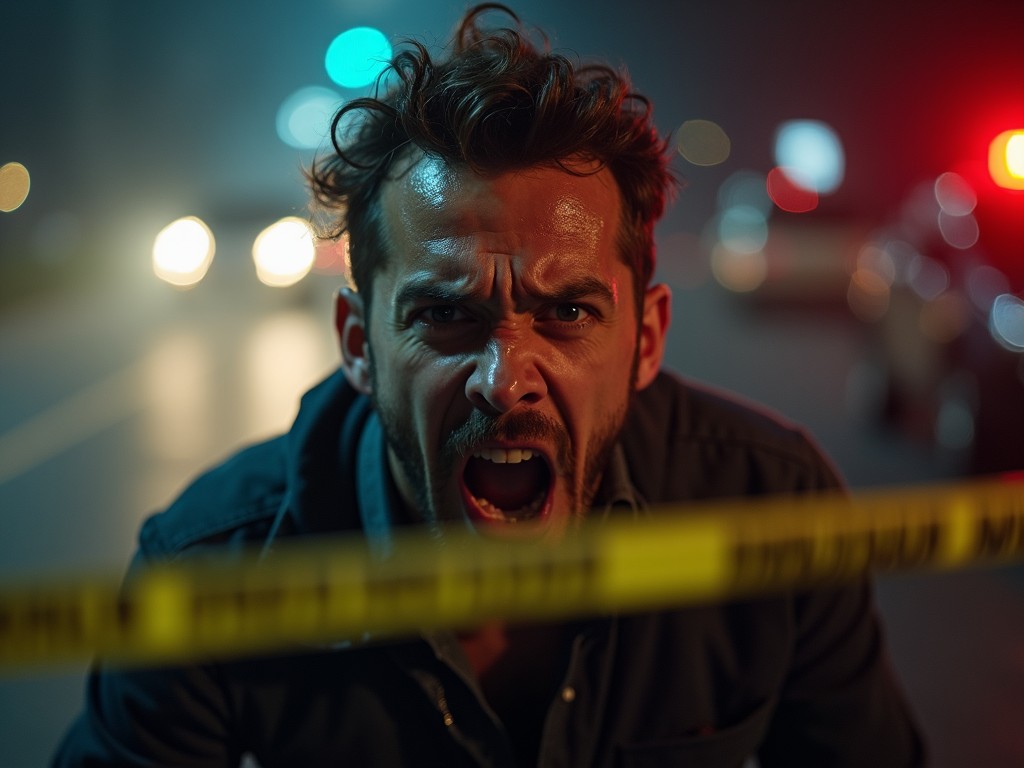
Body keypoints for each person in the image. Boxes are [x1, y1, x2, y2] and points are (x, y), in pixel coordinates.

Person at [53, 5, 924, 766]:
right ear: (358, 345)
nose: (506, 384)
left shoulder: (773, 512)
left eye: (568, 314)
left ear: (647, 338)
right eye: (445, 318)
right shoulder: (212, 573)